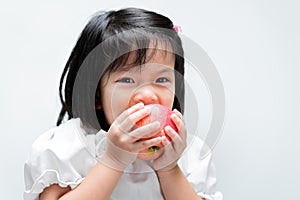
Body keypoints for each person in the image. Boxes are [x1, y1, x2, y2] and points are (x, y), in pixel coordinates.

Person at [24, 7, 223, 200]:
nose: (148, 95)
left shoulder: (190, 153)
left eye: (162, 80)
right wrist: (114, 160)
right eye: (127, 81)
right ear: (96, 95)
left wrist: (169, 168)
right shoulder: (67, 148)